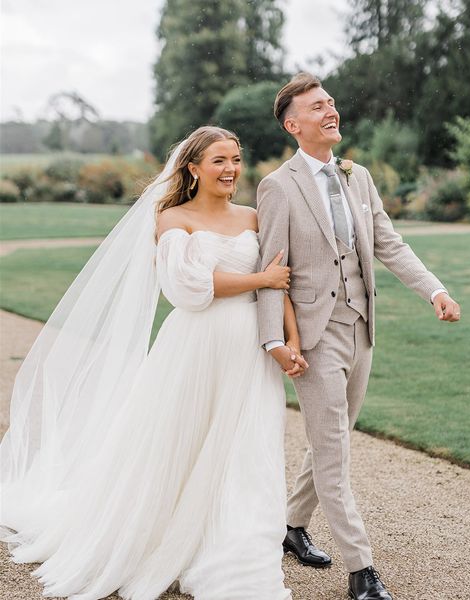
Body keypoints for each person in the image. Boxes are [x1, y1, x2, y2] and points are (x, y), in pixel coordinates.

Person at [0, 126, 306, 600]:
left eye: (236, 159)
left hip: (249, 350)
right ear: (193, 168)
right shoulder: (171, 218)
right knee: (178, 440)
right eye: (220, 161)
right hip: (194, 348)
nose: (231, 170)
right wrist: (260, 278)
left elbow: (278, 282)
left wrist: (289, 338)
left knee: (247, 446)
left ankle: (237, 548)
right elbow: (186, 287)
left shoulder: (252, 217)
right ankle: (163, 535)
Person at [257, 73, 461, 600]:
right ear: (293, 124)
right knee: (334, 451)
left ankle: (292, 525)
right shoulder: (279, 186)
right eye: (317, 106)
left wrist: (433, 290)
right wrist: (275, 342)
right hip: (314, 337)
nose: (331, 111)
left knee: (334, 435)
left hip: (361, 328)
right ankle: (362, 571)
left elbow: (388, 244)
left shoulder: (358, 176)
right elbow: (270, 272)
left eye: (331, 102)